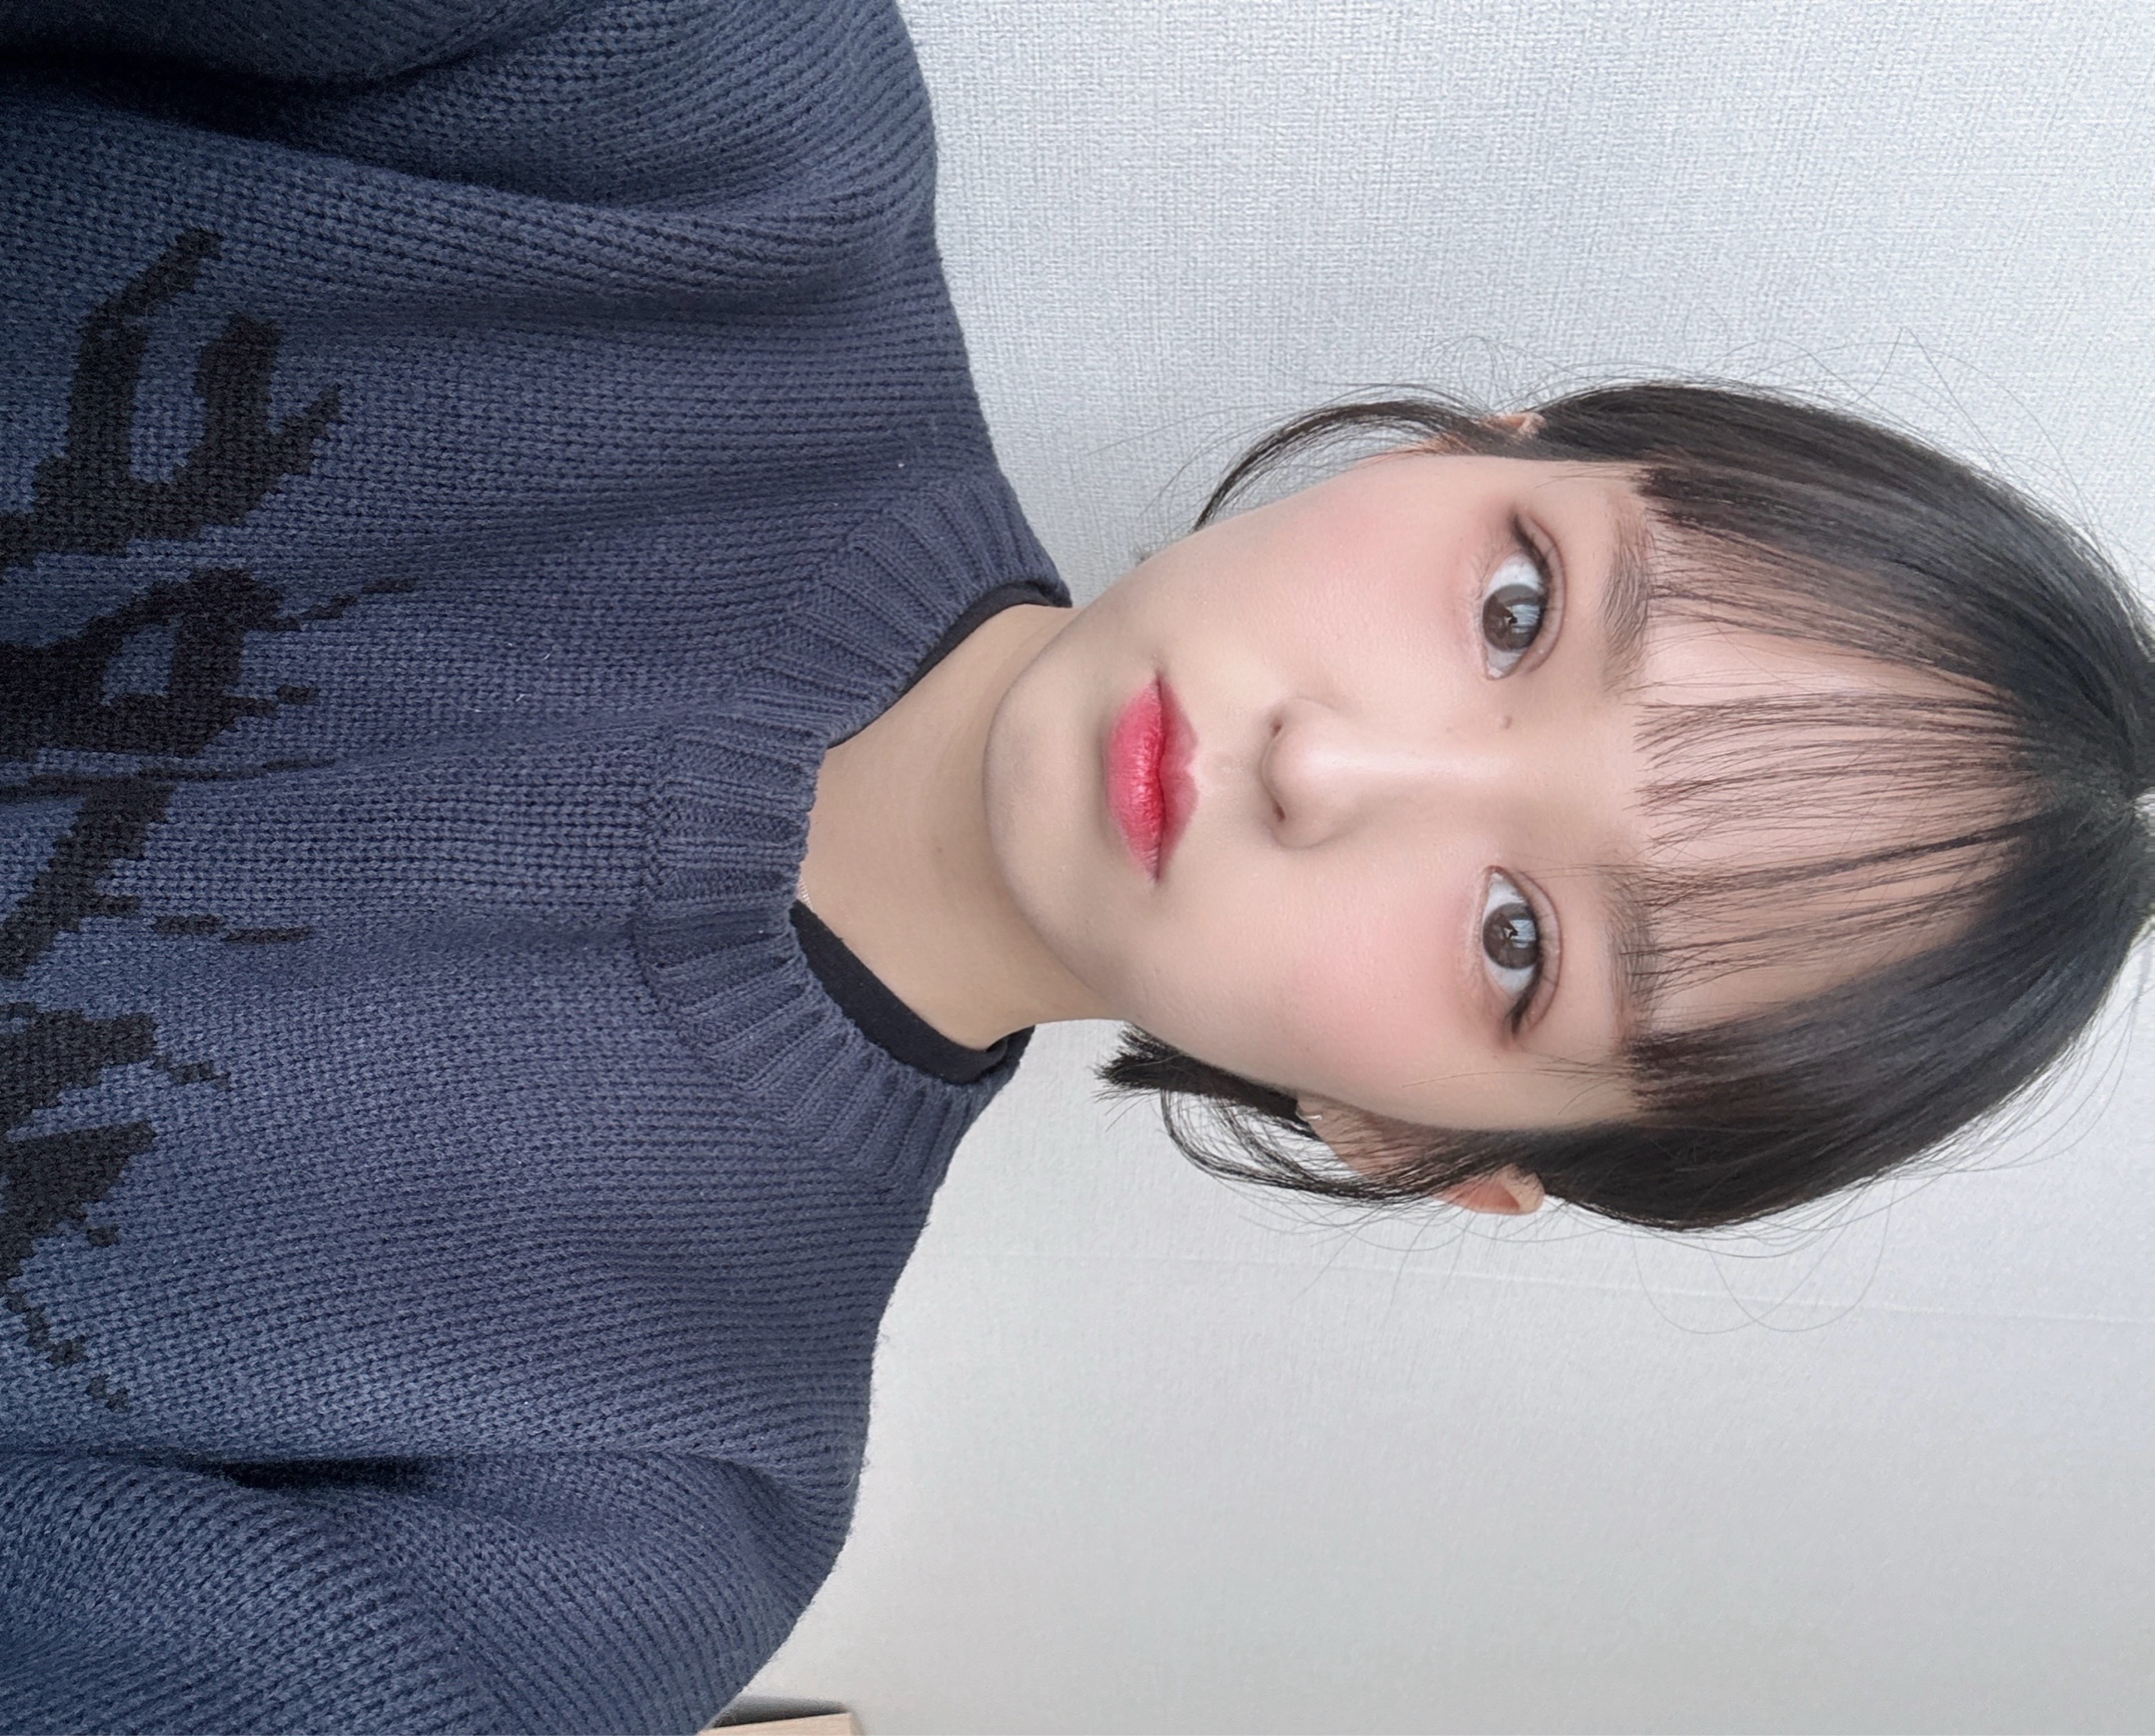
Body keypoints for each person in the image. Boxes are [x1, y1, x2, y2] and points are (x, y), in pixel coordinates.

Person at [0, 0, 2146, 1731]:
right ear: (1491, 441)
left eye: (1518, 941)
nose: (1331, 760)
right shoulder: (702, 110)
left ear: (1424, 1146)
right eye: (1518, 610)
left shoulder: (626, 1529)